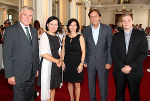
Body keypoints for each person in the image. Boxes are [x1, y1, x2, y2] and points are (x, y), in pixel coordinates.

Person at [3, 6, 39, 101]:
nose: (27, 18)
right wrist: (9, 74)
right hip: (17, 73)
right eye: (25, 15)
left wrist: (36, 69)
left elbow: (35, 52)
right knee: (19, 98)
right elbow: (7, 54)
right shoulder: (11, 30)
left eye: (30, 16)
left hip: (31, 73)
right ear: (20, 15)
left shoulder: (34, 31)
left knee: (30, 97)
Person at [111, 13, 148, 101]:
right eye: (124, 21)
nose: (126, 22)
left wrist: (130, 66)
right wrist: (121, 66)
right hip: (120, 71)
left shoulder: (141, 35)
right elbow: (113, 52)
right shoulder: (116, 36)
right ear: (121, 23)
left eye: (128, 20)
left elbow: (143, 53)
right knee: (119, 96)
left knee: (135, 95)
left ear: (132, 21)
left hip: (135, 70)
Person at [83, 9, 112, 101]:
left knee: (103, 85)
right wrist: (85, 60)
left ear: (99, 17)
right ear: (89, 18)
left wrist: (109, 61)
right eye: (91, 16)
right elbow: (85, 47)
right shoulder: (86, 30)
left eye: (95, 16)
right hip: (90, 62)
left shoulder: (107, 28)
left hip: (103, 62)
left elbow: (110, 46)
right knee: (91, 85)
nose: (93, 18)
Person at [61, 18, 86, 101]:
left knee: (77, 84)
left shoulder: (80, 37)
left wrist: (81, 63)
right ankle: (71, 99)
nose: (72, 27)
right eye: (71, 25)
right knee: (69, 83)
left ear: (77, 26)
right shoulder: (65, 37)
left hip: (77, 62)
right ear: (68, 26)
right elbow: (63, 50)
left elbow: (83, 52)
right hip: (67, 62)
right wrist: (63, 62)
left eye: (74, 25)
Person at [38, 16, 62, 101]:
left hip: (56, 65)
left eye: (56, 24)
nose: (53, 26)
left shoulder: (57, 36)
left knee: (53, 86)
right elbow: (44, 54)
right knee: (48, 89)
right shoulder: (44, 36)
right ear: (47, 25)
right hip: (47, 64)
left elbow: (60, 50)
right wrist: (57, 61)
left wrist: (61, 60)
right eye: (51, 24)